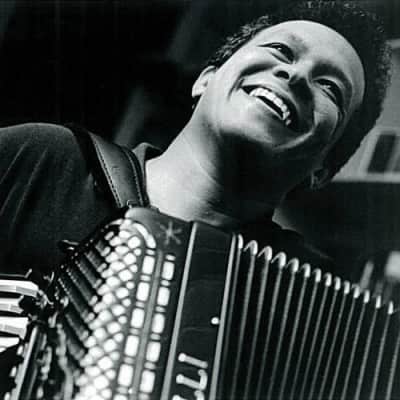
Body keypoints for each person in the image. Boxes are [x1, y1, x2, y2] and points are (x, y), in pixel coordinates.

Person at [0, 1, 391, 277]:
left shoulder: (303, 288)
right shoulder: (42, 160)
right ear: (206, 79)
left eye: (330, 87)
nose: (297, 75)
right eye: (280, 50)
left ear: (323, 168)